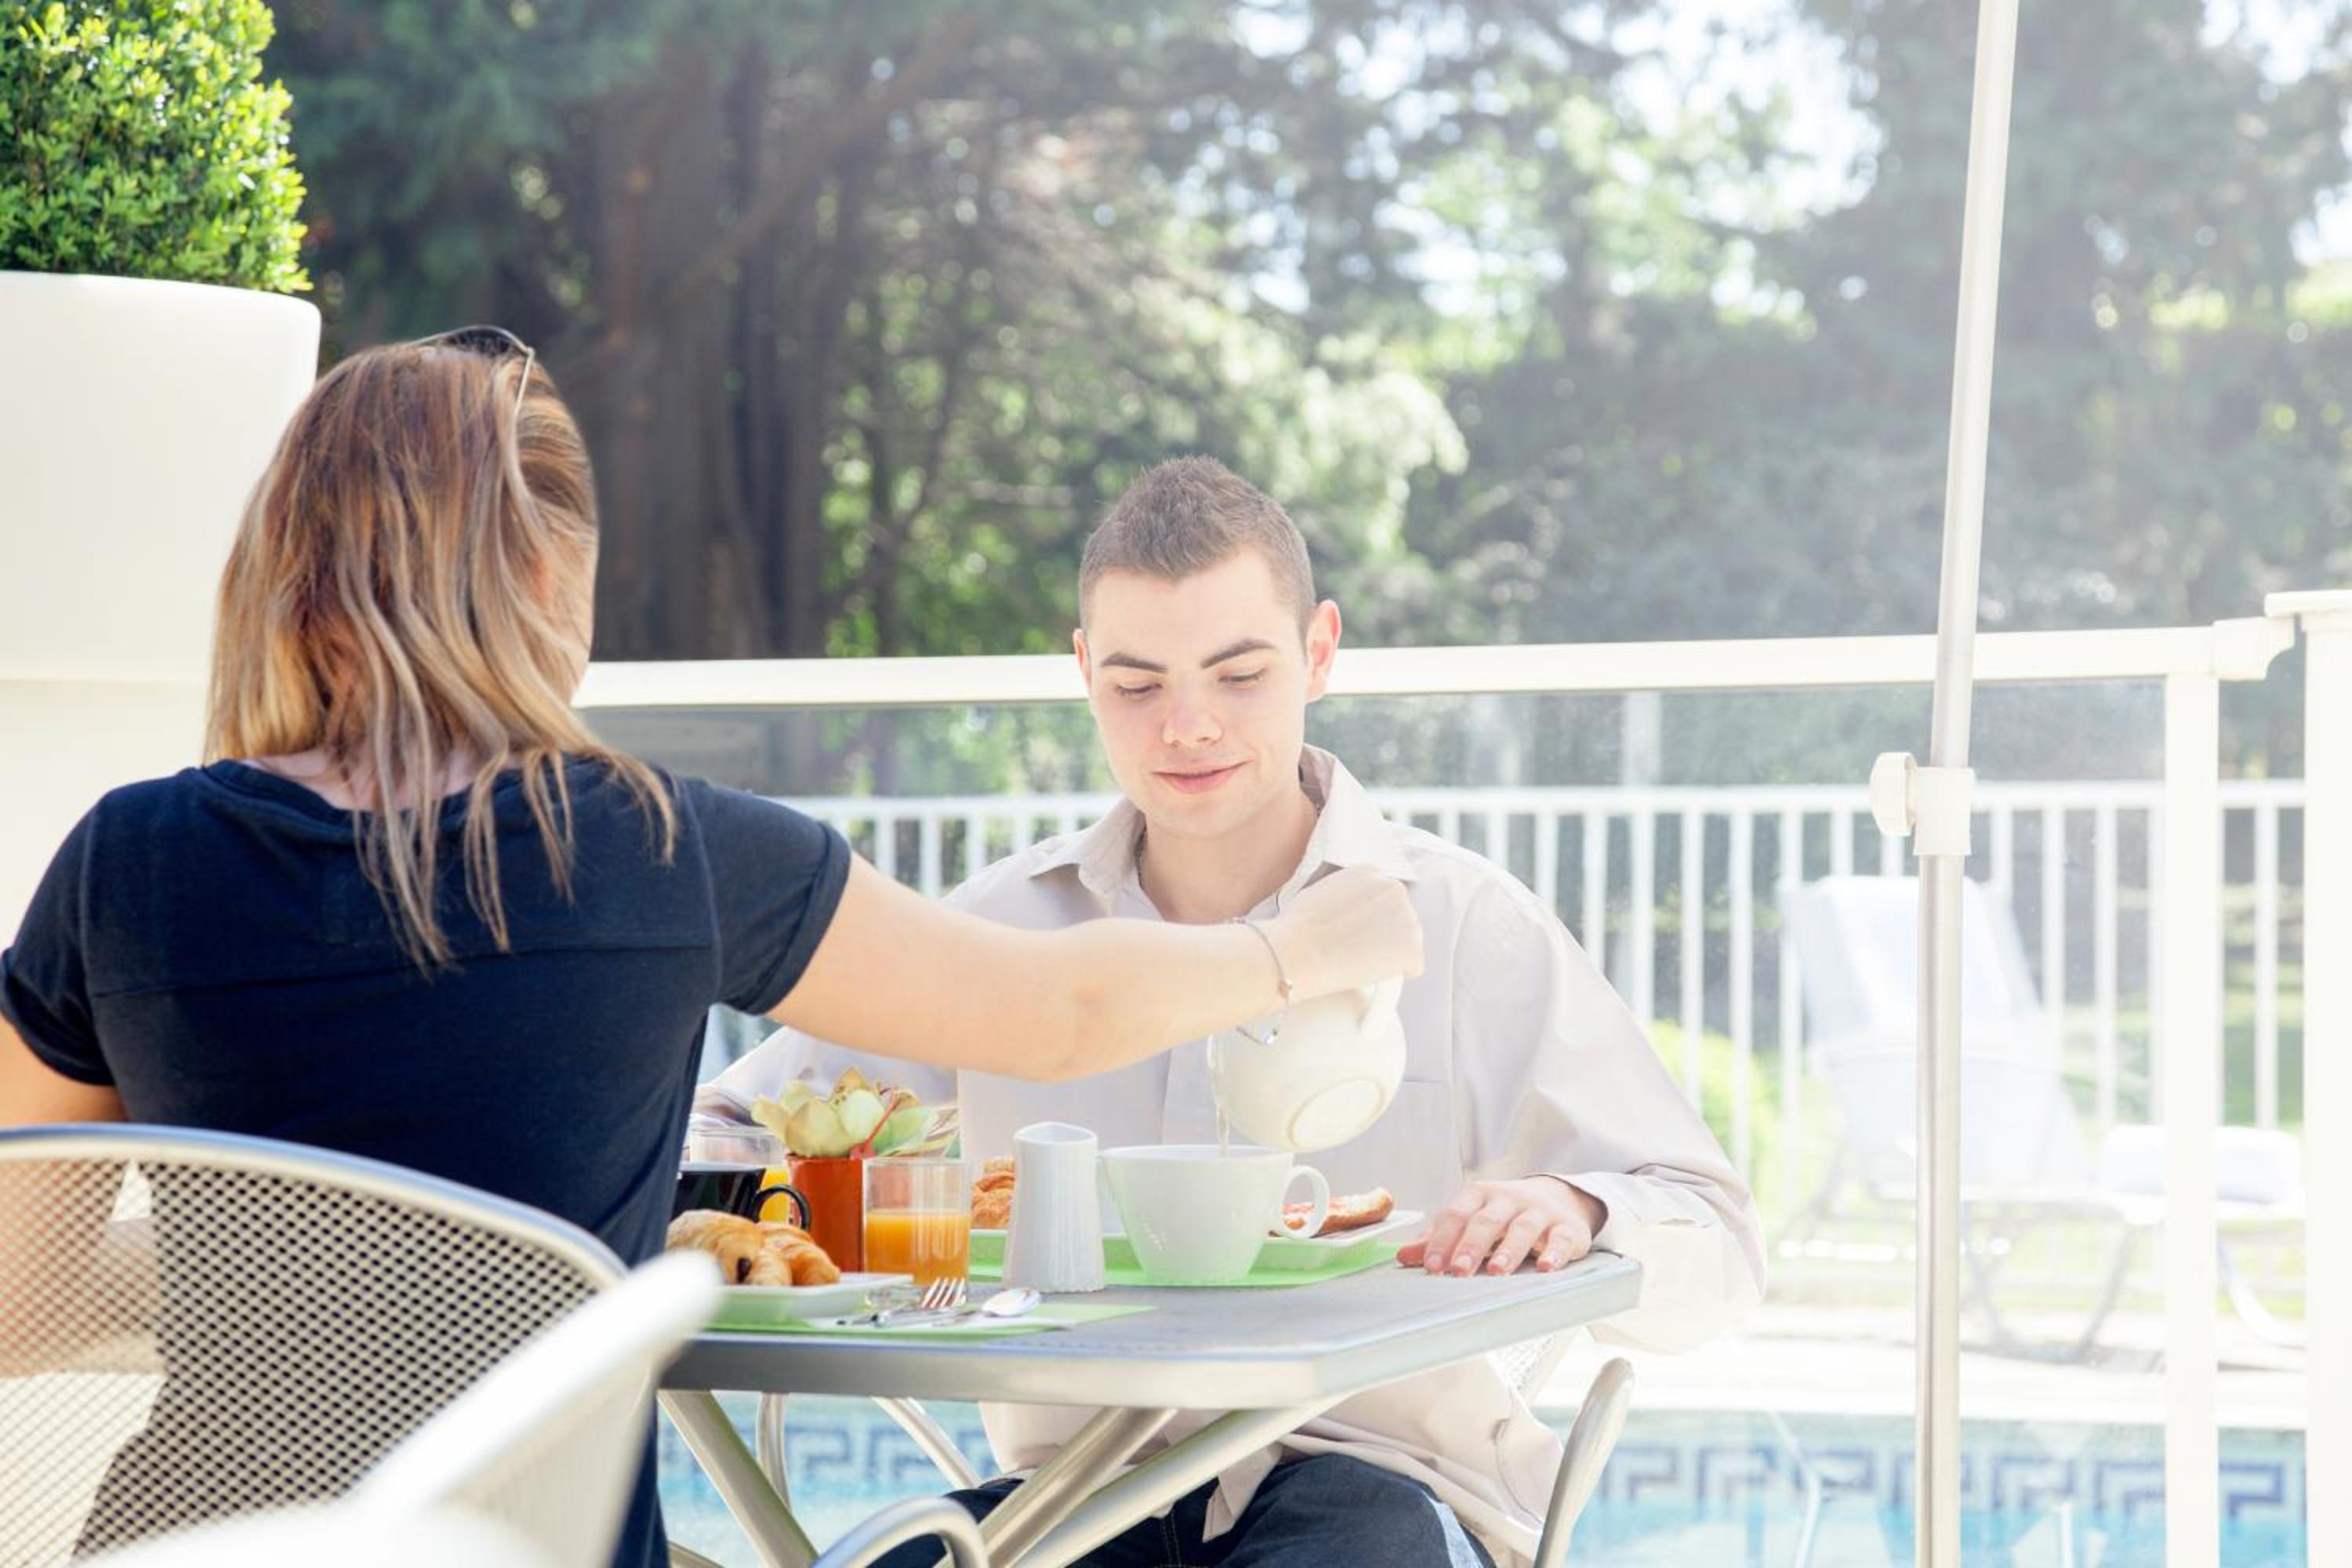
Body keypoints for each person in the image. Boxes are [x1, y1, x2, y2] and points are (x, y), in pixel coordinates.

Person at [0, 338, 1421, 1568]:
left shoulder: (126, 863)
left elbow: (22, 1305)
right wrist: (1299, 944)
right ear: (546, 575)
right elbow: (1058, 1011)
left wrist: (285, 1254)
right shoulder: (649, 848)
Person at [702, 456, 1767, 1568]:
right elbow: (732, 1135)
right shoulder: (1006, 934)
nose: (1188, 727)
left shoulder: (1461, 925)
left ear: (1319, 652)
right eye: (1137, 685)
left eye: (1240, 674)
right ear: (1084, 671)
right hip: (1075, 1499)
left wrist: (1581, 1204)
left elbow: (1719, 1245)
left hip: (1378, 1487)